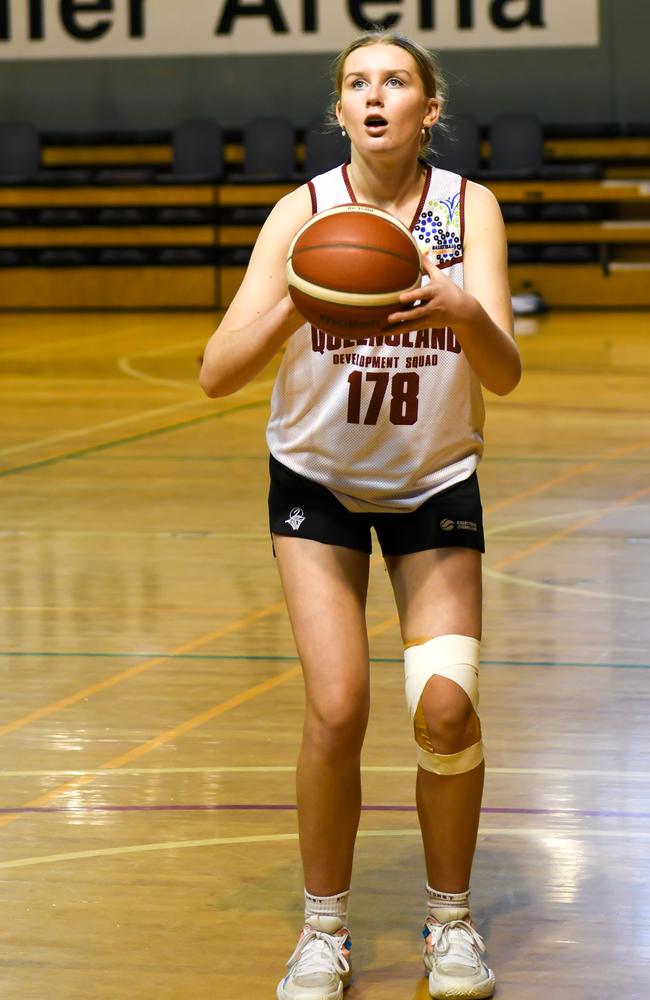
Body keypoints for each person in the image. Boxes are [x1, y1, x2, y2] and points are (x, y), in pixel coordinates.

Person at [200, 28, 521, 1000]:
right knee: (337, 705)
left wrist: (460, 312)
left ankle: (450, 924)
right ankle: (323, 933)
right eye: (355, 83)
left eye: (395, 82)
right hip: (317, 485)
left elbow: (501, 372)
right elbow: (216, 373)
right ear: (337, 110)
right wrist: (301, 301)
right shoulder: (300, 217)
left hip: (432, 486)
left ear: (430, 109)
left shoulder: (472, 208)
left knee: (444, 707)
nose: (373, 95)